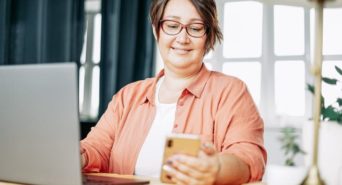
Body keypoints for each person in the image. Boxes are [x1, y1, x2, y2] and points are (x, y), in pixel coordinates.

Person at [80, 0, 267, 184]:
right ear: (156, 30)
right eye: (172, 25)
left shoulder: (231, 91)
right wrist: (79, 156)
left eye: (195, 28)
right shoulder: (127, 96)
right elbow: (96, 148)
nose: (182, 38)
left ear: (208, 36)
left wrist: (216, 168)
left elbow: (249, 157)